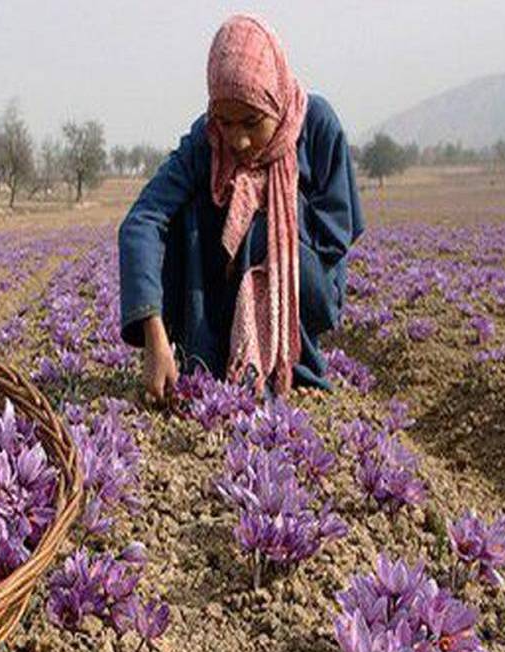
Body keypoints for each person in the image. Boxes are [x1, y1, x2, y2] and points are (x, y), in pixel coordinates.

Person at [118, 13, 363, 403]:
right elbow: (143, 221)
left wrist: (263, 207)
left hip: (305, 286)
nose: (239, 140)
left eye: (251, 121)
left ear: (276, 102)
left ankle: (281, 364)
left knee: (256, 216)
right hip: (224, 291)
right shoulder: (207, 138)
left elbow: (335, 238)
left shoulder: (316, 125)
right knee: (191, 208)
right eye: (225, 121)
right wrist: (153, 331)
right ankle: (205, 354)